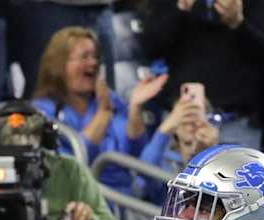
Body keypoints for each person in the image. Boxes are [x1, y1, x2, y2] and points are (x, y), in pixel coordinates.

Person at [31, 25, 169, 195]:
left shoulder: (111, 99)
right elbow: (72, 166)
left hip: (126, 196)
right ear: (59, 65)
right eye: (84, 57)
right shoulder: (43, 111)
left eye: (95, 57)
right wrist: (103, 114)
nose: (93, 63)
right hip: (83, 198)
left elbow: (136, 152)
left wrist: (135, 107)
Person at [135, 0, 264, 148]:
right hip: (181, 119)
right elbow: (149, 48)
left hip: (235, 121)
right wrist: (180, 8)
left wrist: (238, 23)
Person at [139, 93, 220, 204]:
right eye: (185, 116)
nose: (191, 124)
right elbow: (143, 173)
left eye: (196, 115)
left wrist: (213, 149)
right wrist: (164, 130)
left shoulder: (219, 154)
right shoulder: (162, 158)